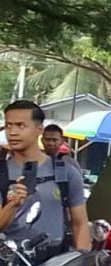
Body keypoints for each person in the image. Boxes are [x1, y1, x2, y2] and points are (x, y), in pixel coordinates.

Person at [1, 100, 88, 252]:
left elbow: (79, 223)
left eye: (21, 125)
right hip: (9, 265)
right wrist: (12, 205)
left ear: (39, 129)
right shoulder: (2, 172)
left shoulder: (66, 172)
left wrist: (82, 262)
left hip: (53, 264)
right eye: (9, 125)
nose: (13, 132)